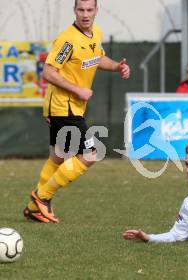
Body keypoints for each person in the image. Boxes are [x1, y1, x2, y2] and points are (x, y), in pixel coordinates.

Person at [23, 0, 130, 223]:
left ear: (96, 11)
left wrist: (116, 67)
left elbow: (98, 58)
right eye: (81, 10)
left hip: (69, 107)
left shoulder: (95, 33)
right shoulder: (67, 39)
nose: (85, 14)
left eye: (89, 10)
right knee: (91, 154)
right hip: (63, 106)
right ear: (74, 11)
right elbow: (49, 72)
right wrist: (78, 90)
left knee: (59, 156)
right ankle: (42, 197)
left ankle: (34, 207)